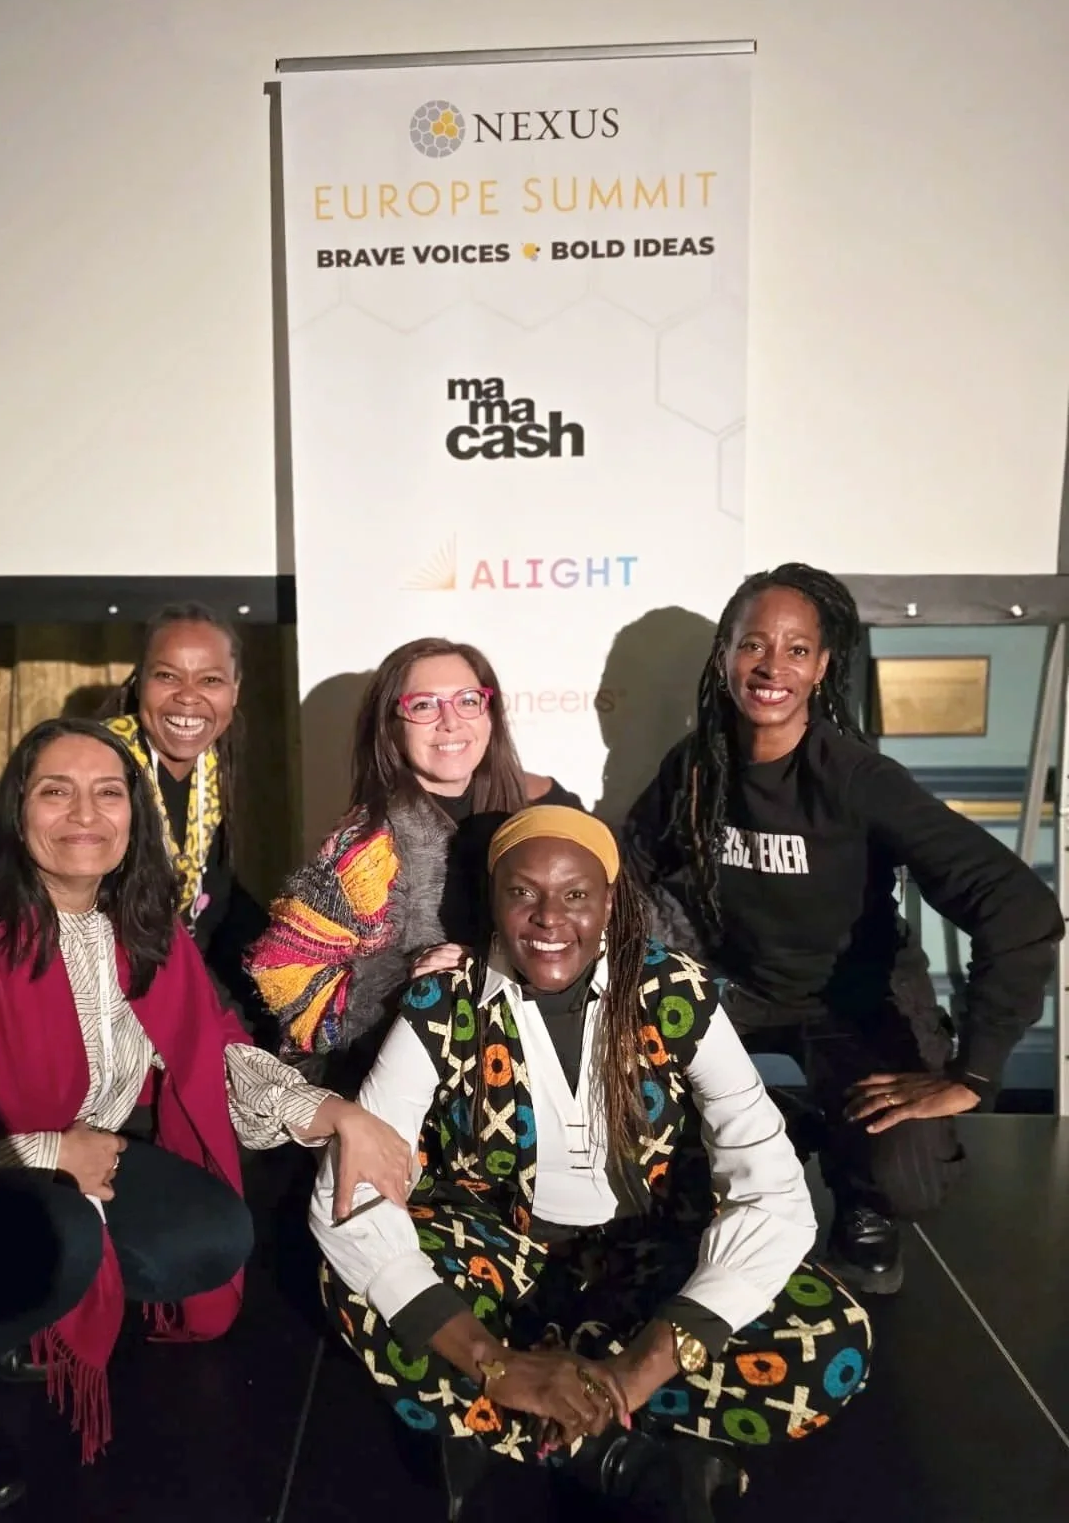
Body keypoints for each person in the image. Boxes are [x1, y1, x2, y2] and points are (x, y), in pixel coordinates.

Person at [0, 718, 410, 1511]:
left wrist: (333, 1112)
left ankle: (21, 1309)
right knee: (64, 1238)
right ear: (18, 817)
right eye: (56, 792)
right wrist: (52, 1149)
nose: (85, 814)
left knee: (213, 1236)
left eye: (108, 793)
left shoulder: (139, 932)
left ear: (136, 816)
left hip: (82, 1166)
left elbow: (212, 1050)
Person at [310, 806, 871, 1522]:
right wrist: (495, 1360)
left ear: (610, 900)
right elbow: (347, 1199)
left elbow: (773, 1191)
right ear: (494, 899)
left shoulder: (676, 993)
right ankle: (626, 1457)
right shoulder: (442, 1000)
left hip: (645, 1266)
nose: (549, 919)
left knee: (831, 1337)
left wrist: (640, 1369)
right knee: (357, 1284)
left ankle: (524, 1424)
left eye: (576, 895)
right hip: (501, 1262)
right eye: (524, 893)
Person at [623, 562, 1064, 1294]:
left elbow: (1018, 906)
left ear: (824, 667)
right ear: (724, 657)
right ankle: (785, 1120)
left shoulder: (859, 779)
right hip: (739, 993)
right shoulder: (695, 769)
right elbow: (631, 873)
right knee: (648, 1160)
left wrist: (973, 1072)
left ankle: (855, 1182)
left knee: (910, 1179)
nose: (772, 666)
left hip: (851, 1000)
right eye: (752, 644)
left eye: (797, 650)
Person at [0, 603, 268, 1018]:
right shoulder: (95, 765)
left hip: (175, 988)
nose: (187, 696)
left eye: (211, 680)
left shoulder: (211, 775)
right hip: (84, 1000)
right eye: (166, 675)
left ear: (235, 689)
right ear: (140, 680)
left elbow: (215, 898)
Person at [248, 637, 581, 1089]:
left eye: (467, 700)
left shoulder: (535, 823)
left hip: (528, 1084)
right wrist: (407, 977)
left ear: (489, 713)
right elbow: (282, 975)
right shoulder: (366, 847)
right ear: (391, 725)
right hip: (407, 1099)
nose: (450, 722)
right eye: (424, 705)